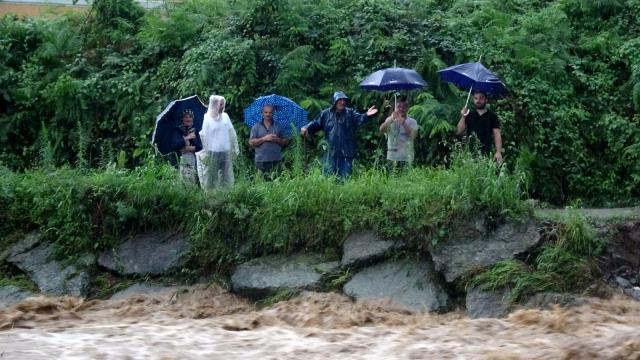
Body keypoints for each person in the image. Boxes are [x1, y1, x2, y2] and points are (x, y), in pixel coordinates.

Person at [300, 91, 378, 179]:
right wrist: (306, 127)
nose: (342, 102)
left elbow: (359, 118)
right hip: (330, 152)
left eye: (344, 100)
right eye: (339, 100)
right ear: (334, 101)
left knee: (345, 179)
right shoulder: (326, 114)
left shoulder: (350, 113)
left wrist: (367, 115)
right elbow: (315, 123)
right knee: (328, 178)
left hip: (346, 153)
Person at [196, 95, 239, 191]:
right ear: (214, 104)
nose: (222, 106)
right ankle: (211, 199)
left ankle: (226, 197)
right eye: (220, 104)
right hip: (211, 153)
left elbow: (231, 133)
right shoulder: (205, 118)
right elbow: (202, 137)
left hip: (225, 152)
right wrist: (203, 153)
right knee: (210, 179)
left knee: (227, 178)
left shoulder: (225, 117)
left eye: (223, 104)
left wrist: (234, 148)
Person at [457, 91, 503, 163]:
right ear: (473, 100)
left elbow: (497, 135)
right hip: (469, 153)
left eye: (481, 98)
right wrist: (463, 116)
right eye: (476, 98)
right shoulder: (469, 114)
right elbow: (459, 131)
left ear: (486, 100)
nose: (478, 101)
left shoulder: (492, 116)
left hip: (486, 153)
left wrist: (498, 152)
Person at [249, 104, 289, 175]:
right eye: (266, 112)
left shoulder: (278, 126)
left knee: (278, 183)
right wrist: (265, 138)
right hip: (261, 161)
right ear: (262, 113)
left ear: (273, 113)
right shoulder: (256, 127)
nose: (268, 114)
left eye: (270, 112)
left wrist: (277, 139)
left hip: (276, 160)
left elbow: (286, 142)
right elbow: (251, 142)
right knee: (262, 184)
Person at [379, 98, 418, 171]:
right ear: (395, 108)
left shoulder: (412, 121)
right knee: (391, 180)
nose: (401, 109)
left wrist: (403, 123)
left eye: (403, 107)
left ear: (407, 108)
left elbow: (413, 136)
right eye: (399, 107)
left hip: (406, 157)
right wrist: (391, 119)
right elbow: (381, 130)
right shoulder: (390, 120)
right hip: (392, 156)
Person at [171, 109, 203, 184]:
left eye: (190, 117)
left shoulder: (195, 131)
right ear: (182, 118)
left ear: (192, 118)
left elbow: (200, 146)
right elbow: (174, 145)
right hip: (180, 160)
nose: (188, 119)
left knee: (192, 182)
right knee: (181, 182)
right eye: (186, 117)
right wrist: (187, 138)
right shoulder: (177, 130)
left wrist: (189, 148)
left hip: (193, 161)